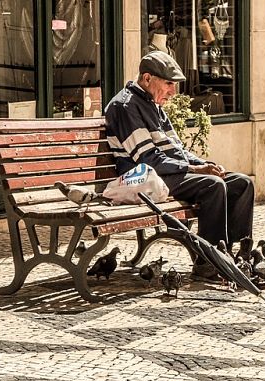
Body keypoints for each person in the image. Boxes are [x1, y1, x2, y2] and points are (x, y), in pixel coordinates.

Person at [104, 51, 254, 281]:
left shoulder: (153, 104)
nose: (173, 92)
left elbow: (177, 150)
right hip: (143, 180)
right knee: (212, 186)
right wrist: (196, 170)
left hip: (164, 174)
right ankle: (208, 263)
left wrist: (204, 164)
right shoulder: (126, 106)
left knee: (241, 183)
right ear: (147, 78)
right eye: (168, 84)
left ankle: (235, 258)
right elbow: (147, 159)